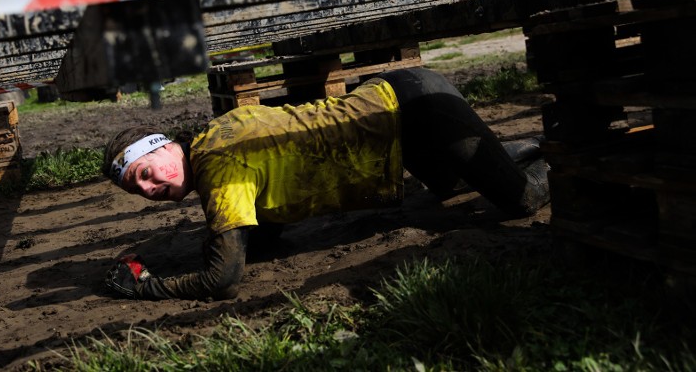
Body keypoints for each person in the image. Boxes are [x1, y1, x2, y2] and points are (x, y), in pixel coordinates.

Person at [102, 67, 549, 301]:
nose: (150, 189)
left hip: (417, 110)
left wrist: (147, 287)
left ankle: (563, 151)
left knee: (521, 201)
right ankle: (526, 148)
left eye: (145, 173)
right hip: (401, 117)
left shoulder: (219, 167)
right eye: (138, 190)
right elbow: (264, 227)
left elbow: (225, 281)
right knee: (455, 184)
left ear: (162, 149)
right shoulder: (213, 136)